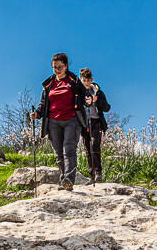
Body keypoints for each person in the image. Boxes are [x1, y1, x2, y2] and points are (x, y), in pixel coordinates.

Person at [31, 52, 88, 190]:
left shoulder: (74, 81)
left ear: (66, 66)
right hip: (52, 122)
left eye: (60, 67)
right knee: (58, 153)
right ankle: (64, 181)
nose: (57, 69)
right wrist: (36, 114)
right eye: (54, 67)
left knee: (69, 149)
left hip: (72, 120)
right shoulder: (49, 84)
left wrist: (89, 100)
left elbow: (85, 96)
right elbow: (43, 104)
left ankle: (69, 178)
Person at [78, 67, 111, 183]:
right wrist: (83, 102)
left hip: (96, 121)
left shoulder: (98, 92)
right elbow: (75, 106)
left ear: (91, 79)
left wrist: (97, 101)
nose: (86, 83)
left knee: (95, 144)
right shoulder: (79, 92)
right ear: (81, 80)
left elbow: (107, 108)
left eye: (88, 80)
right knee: (87, 148)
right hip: (84, 122)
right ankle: (90, 175)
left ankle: (98, 172)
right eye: (84, 81)